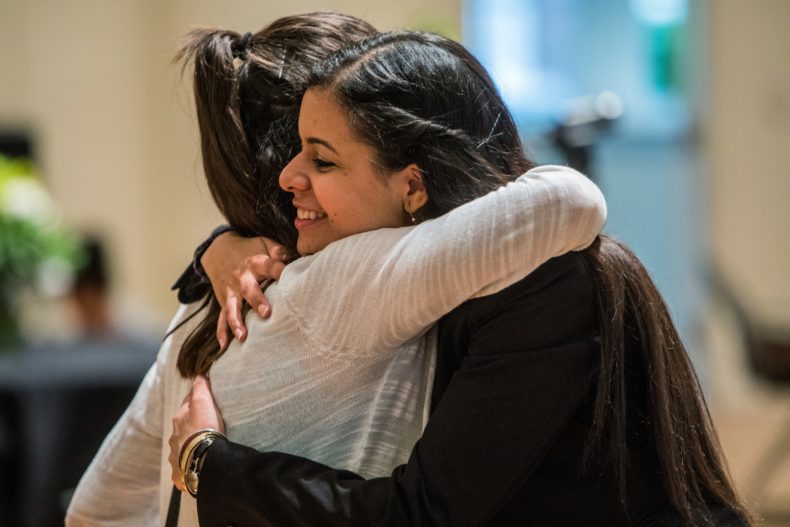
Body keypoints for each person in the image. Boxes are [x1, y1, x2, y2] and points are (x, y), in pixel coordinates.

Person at [169, 31, 753, 526]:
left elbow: (421, 515)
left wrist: (208, 461)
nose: (289, 176)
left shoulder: (545, 289)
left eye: (323, 160)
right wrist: (219, 248)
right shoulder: (425, 271)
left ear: (414, 187)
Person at [66, 13, 606, 527]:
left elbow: (94, 506)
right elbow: (567, 202)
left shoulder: (199, 306)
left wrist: (218, 245)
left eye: (323, 157)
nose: (293, 176)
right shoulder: (349, 281)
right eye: (308, 155)